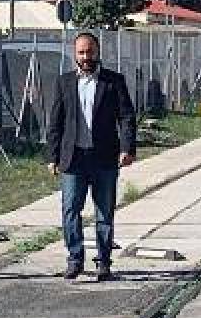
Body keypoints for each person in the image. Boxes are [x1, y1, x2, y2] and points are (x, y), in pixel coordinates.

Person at [46, 32, 136, 282]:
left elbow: (126, 117)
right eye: (81, 52)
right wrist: (52, 156)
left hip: (104, 157)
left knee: (104, 212)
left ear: (98, 52)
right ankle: (75, 258)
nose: (86, 57)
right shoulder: (64, 83)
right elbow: (55, 122)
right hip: (73, 159)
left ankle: (103, 261)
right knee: (70, 210)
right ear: (75, 54)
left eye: (90, 52)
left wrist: (127, 148)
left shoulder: (113, 82)